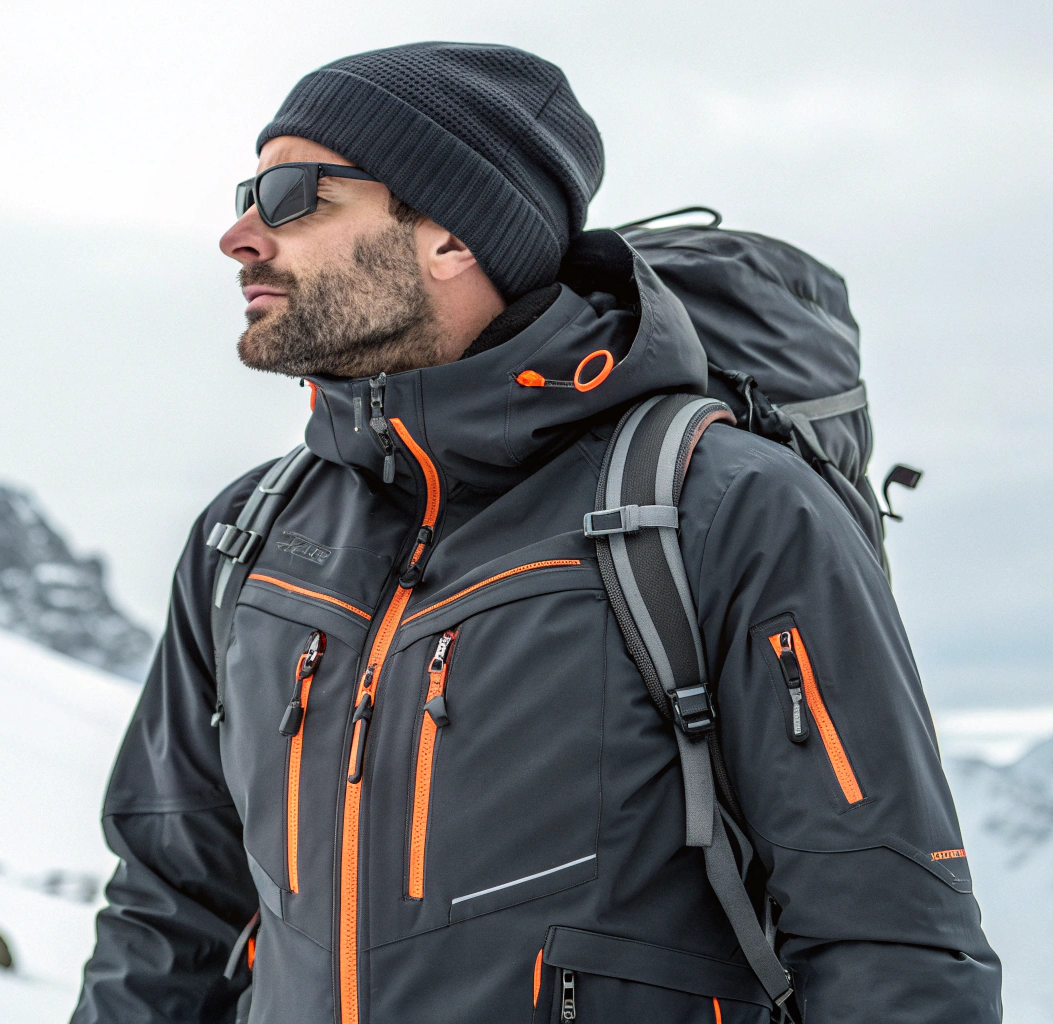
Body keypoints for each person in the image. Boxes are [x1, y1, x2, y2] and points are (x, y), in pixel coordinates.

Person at [73, 41, 1000, 1024]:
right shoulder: (248, 539)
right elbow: (168, 912)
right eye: (246, 192)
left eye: (294, 194)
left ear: (449, 236)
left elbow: (888, 937)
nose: (239, 235)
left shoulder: (716, 507)